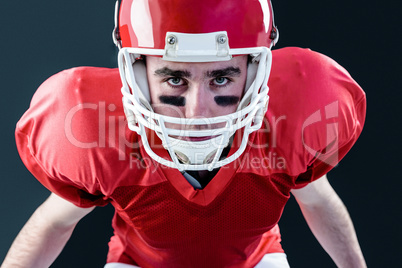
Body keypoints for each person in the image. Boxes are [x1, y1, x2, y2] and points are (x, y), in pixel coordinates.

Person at [2, 0, 367, 267]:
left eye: (221, 78)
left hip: (255, 261)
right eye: (175, 78)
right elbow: (54, 223)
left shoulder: (288, 124)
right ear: (140, 74)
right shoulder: (98, 133)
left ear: (256, 72)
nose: (197, 113)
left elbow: (318, 200)